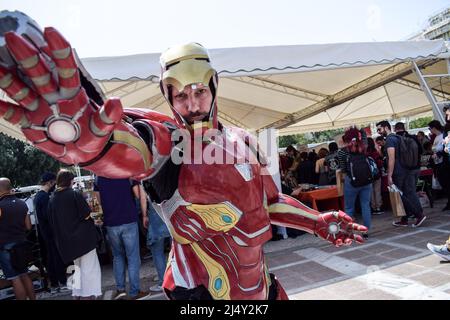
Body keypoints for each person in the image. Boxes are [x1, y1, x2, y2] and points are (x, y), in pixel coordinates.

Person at [0, 20, 367, 300]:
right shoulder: (169, 144)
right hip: (202, 293)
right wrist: (91, 145)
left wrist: (316, 221)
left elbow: (268, 204)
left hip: (262, 285)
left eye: (199, 92)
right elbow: (132, 146)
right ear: (167, 95)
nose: (192, 105)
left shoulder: (245, 140)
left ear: (213, 86)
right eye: (180, 97)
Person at [47, 170, 102, 300]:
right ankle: (88, 296)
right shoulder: (73, 194)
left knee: (77, 269)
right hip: (84, 239)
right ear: (70, 181)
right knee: (89, 268)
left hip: (66, 242)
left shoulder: (52, 199)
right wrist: (95, 221)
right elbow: (86, 214)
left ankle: (76, 294)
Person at [93, 176, 148, 300]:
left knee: (118, 257)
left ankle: (120, 290)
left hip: (111, 223)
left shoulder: (98, 178)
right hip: (129, 220)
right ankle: (135, 291)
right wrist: (144, 214)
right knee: (133, 257)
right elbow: (139, 195)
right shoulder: (126, 174)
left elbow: (97, 201)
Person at [376, 120, 426, 227]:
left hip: (398, 171)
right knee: (406, 193)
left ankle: (418, 215)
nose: (378, 132)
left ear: (386, 127)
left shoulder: (390, 140)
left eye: (379, 129)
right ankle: (405, 219)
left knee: (401, 195)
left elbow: (391, 158)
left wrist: (389, 175)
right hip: (406, 169)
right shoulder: (397, 137)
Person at [0, 178, 36, 300]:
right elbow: (28, 226)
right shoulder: (22, 203)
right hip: (22, 244)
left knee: (15, 279)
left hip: (5, 247)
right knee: (25, 275)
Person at [34, 172, 69, 294]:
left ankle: (55, 284)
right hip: (50, 233)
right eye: (54, 182)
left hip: (47, 233)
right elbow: (47, 215)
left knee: (52, 259)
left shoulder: (40, 196)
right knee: (56, 259)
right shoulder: (43, 197)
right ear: (50, 182)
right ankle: (60, 283)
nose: (55, 185)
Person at [336, 127, 372, 239]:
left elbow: (343, 169)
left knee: (349, 208)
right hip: (366, 180)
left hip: (351, 181)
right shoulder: (364, 146)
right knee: (365, 205)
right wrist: (359, 130)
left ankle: (349, 232)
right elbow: (364, 134)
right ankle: (365, 231)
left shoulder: (342, 152)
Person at [366, 138, 383, 215]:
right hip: (376, 174)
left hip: (368, 176)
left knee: (371, 192)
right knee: (377, 191)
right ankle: (378, 207)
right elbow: (380, 164)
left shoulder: (364, 153)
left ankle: (373, 208)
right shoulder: (375, 153)